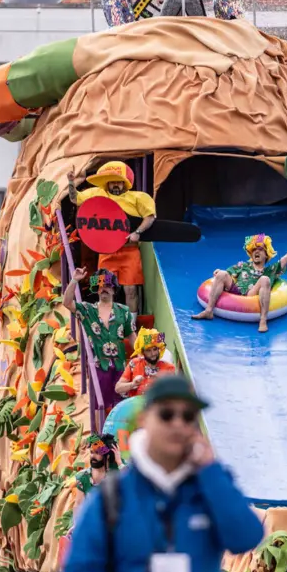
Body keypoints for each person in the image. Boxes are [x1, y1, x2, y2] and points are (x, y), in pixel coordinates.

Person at [61, 375, 264, 572]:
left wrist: (210, 472)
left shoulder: (211, 485)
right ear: (145, 419)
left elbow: (247, 537)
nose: (178, 424)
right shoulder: (113, 496)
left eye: (188, 415)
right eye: (167, 414)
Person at [68, 162, 156, 314]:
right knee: (103, 288)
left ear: (125, 183)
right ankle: (105, 320)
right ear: (107, 183)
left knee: (131, 290)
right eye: (112, 182)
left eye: (119, 182)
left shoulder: (138, 197)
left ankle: (131, 324)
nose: (116, 185)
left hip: (130, 252)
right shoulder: (97, 193)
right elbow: (75, 199)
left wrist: (138, 232)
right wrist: (70, 182)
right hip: (106, 253)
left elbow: (150, 217)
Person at [193, 231, 287, 333]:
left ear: (266, 255)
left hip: (252, 293)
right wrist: (219, 272)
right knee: (222, 273)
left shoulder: (270, 270)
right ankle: (209, 311)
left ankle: (263, 320)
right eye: (254, 249)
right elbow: (228, 273)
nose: (256, 251)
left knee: (265, 279)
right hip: (236, 289)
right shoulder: (243, 265)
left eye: (260, 249)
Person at [63, 267, 137, 414]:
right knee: (98, 407)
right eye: (101, 285)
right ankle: (98, 430)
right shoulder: (87, 310)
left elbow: (132, 337)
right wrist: (74, 280)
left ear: (114, 289)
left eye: (108, 285)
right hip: (98, 366)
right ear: (97, 289)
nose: (104, 289)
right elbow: (67, 302)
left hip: (120, 367)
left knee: (122, 407)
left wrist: (142, 357)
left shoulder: (124, 311)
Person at [115, 329, 176, 400]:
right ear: (142, 352)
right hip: (135, 404)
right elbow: (118, 388)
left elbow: (174, 394)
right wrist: (133, 384)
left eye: (155, 349)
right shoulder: (134, 363)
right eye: (148, 350)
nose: (153, 354)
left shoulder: (169, 368)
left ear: (159, 349)